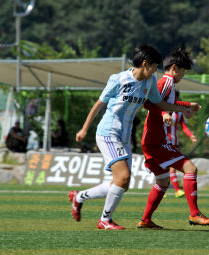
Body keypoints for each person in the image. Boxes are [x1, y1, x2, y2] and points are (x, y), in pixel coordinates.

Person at [68, 44, 194, 230]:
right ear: (145, 64)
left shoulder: (149, 82)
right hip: (108, 133)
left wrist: (184, 108)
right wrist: (84, 129)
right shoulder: (118, 79)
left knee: (121, 183)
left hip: (125, 136)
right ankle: (105, 220)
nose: (155, 71)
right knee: (124, 177)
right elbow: (98, 105)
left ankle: (78, 197)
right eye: (154, 66)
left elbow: (158, 103)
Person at [137, 45, 209, 229]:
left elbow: (167, 103)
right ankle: (195, 214)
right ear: (174, 68)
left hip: (151, 142)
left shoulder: (168, 84)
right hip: (156, 141)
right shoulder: (164, 82)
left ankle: (146, 220)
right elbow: (149, 104)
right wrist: (164, 113)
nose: (183, 76)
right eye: (182, 72)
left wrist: (188, 105)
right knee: (191, 168)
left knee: (163, 181)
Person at [167, 91, 197, 198]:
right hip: (165, 142)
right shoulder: (164, 110)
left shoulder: (179, 112)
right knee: (170, 167)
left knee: (171, 167)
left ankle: (173, 189)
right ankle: (176, 190)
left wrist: (191, 135)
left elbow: (183, 126)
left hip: (175, 143)